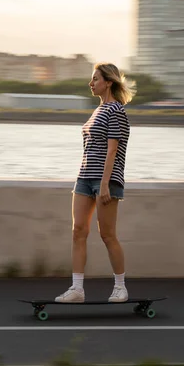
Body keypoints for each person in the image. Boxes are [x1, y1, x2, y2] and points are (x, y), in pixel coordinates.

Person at [55, 62, 136, 303]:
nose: (91, 83)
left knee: (107, 235)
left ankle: (120, 287)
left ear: (108, 82)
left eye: (95, 79)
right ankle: (77, 289)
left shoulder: (116, 111)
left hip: (105, 180)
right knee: (78, 231)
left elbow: (112, 151)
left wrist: (104, 185)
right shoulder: (98, 111)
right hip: (84, 178)